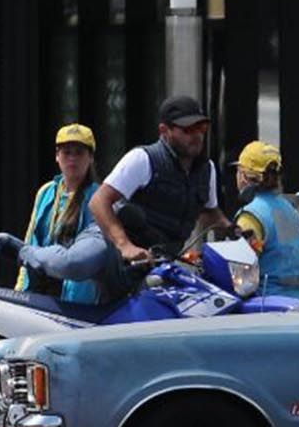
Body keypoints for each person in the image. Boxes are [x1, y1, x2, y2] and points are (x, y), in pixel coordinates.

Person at [90, 95, 231, 264]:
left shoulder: (206, 169)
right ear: (164, 131)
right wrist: (124, 245)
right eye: (187, 130)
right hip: (120, 257)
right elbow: (98, 202)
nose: (196, 135)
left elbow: (208, 212)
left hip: (162, 261)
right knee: (77, 261)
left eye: (201, 127)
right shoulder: (143, 159)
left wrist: (232, 230)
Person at [16, 124, 102, 303]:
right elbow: (30, 242)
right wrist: (20, 291)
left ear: (91, 157)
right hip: (40, 291)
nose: (72, 158)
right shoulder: (46, 192)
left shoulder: (99, 197)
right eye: (66, 152)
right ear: (57, 156)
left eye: (79, 152)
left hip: (77, 299)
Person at [232, 140, 299, 299]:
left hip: (264, 305)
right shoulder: (289, 209)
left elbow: (242, 273)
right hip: (296, 301)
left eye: (238, 170)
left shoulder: (250, 215)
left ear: (244, 176)